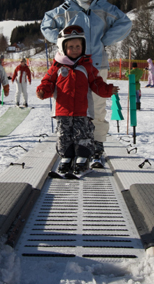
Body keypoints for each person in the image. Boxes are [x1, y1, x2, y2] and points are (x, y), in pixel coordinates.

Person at [41, 0, 132, 166]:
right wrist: (60, 42)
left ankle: (97, 147)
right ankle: (72, 149)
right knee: (70, 109)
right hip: (69, 67)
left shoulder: (103, 6)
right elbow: (46, 24)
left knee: (97, 109)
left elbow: (125, 22)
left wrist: (104, 40)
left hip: (96, 64)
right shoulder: (66, 8)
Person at [36, 25, 118, 174]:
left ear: (83, 46)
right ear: (62, 48)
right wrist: (43, 91)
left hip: (82, 110)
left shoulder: (87, 66)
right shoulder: (57, 67)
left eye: (78, 46)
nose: (75, 49)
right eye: (71, 46)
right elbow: (48, 82)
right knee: (64, 135)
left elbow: (96, 83)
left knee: (83, 134)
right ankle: (66, 158)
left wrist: (107, 90)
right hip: (62, 111)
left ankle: (82, 158)